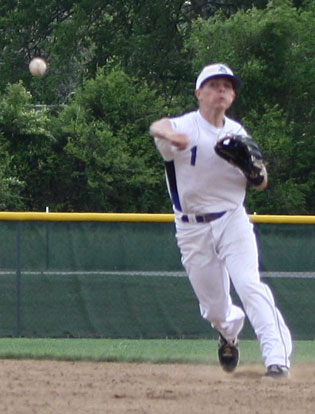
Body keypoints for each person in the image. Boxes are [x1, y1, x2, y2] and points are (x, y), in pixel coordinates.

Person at [149, 63, 292, 379]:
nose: (222, 91)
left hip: (232, 220)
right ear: (199, 93)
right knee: (214, 309)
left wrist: (258, 172)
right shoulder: (184, 126)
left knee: (249, 285)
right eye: (214, 85)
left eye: (227, 86)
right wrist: (172, 135)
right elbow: (157, 127)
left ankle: (277, 359)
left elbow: (261, 181)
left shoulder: (238, 133)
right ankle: (228, 333)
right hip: (191, 228)